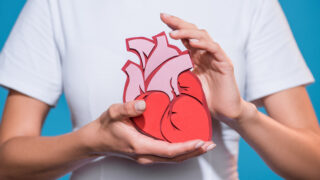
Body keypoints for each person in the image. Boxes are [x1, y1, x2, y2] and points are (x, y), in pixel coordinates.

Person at [0, 0, 319, 179]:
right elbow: (6, 164)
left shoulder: (251, 5)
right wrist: (92, 142)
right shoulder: (55, 5)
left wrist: (240, 114)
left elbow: (313, 165)